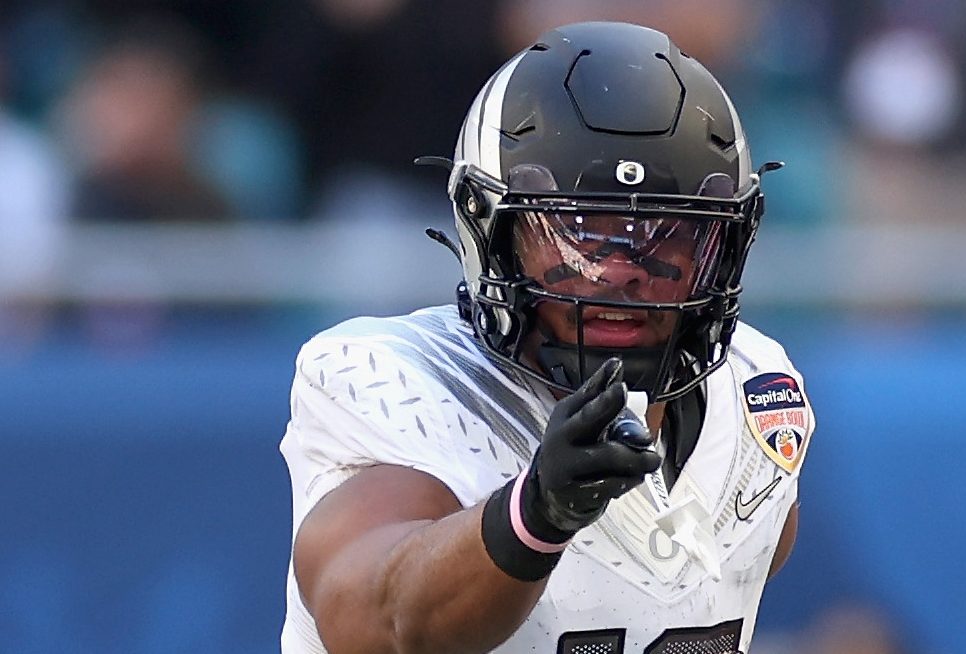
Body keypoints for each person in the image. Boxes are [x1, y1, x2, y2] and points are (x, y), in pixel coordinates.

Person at [280, 21, 815, 654]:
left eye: (670, 231)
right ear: (492, 233)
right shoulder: (399, 382)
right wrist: (533, 514)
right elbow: (376, 622)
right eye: (577, 232)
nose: (620, 270)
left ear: (725, 245)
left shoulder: (755, 399)